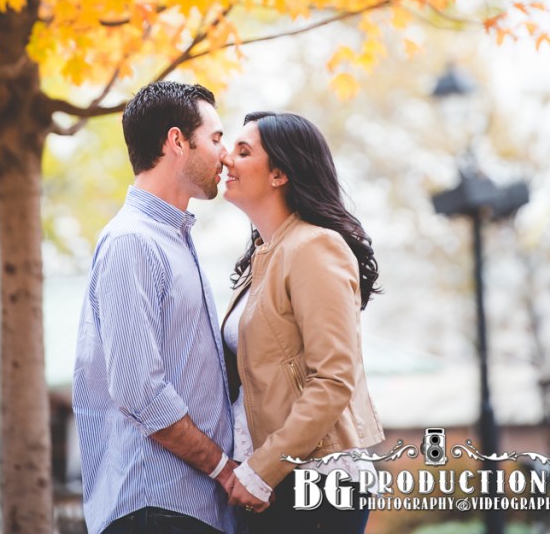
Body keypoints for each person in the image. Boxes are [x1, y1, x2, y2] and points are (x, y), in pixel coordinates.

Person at [73, 80, 238, 534]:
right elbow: (141, 392)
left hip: (188, 510)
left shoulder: (174, 239)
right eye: (217, 138)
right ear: (177, 141)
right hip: (156, 509)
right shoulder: (134, 242)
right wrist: (224, 469)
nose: (225, 153)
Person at [220, 111, 384, 534]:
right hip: (272, 478)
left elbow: (333, 378)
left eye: (243, 151)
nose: (226, 159)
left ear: (278, 174)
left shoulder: (314, 245)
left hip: (315, 481)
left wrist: (262, 469)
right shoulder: (265, 256)